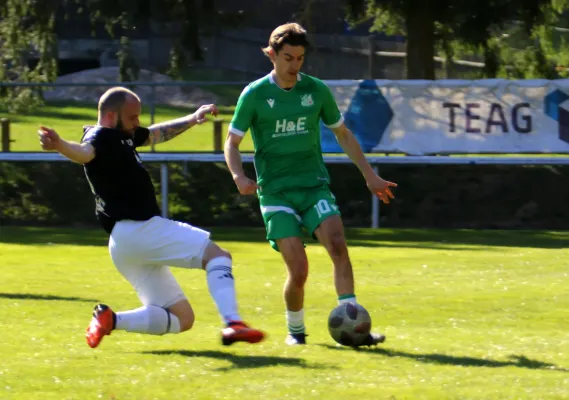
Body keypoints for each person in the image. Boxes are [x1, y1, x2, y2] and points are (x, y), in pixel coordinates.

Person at [38, 87, 264, 348]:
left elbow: (156, 133)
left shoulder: (122, 137)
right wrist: (59, 145)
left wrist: (192, 119)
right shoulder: (101, 136)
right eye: (132, 117)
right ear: (110, 116)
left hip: (122, 244)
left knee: (182, 318)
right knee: (218, 256)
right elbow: (84, 153)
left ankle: (110, 320)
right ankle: (233, 322)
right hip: (140, 229)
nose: (137, 122)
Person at [224, 23, 397, 346]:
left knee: (338, 245)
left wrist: (369, 175)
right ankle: (296, 332)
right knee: (299, 268)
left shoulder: (316, 90)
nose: (295, 66)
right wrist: (238, 176)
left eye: (300, 58)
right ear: (272, 55)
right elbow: (232, 143)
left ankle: (355, 326)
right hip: (275, 192)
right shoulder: (255, 94)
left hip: (314, 186)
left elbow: (343, 134)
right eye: (288, 58)